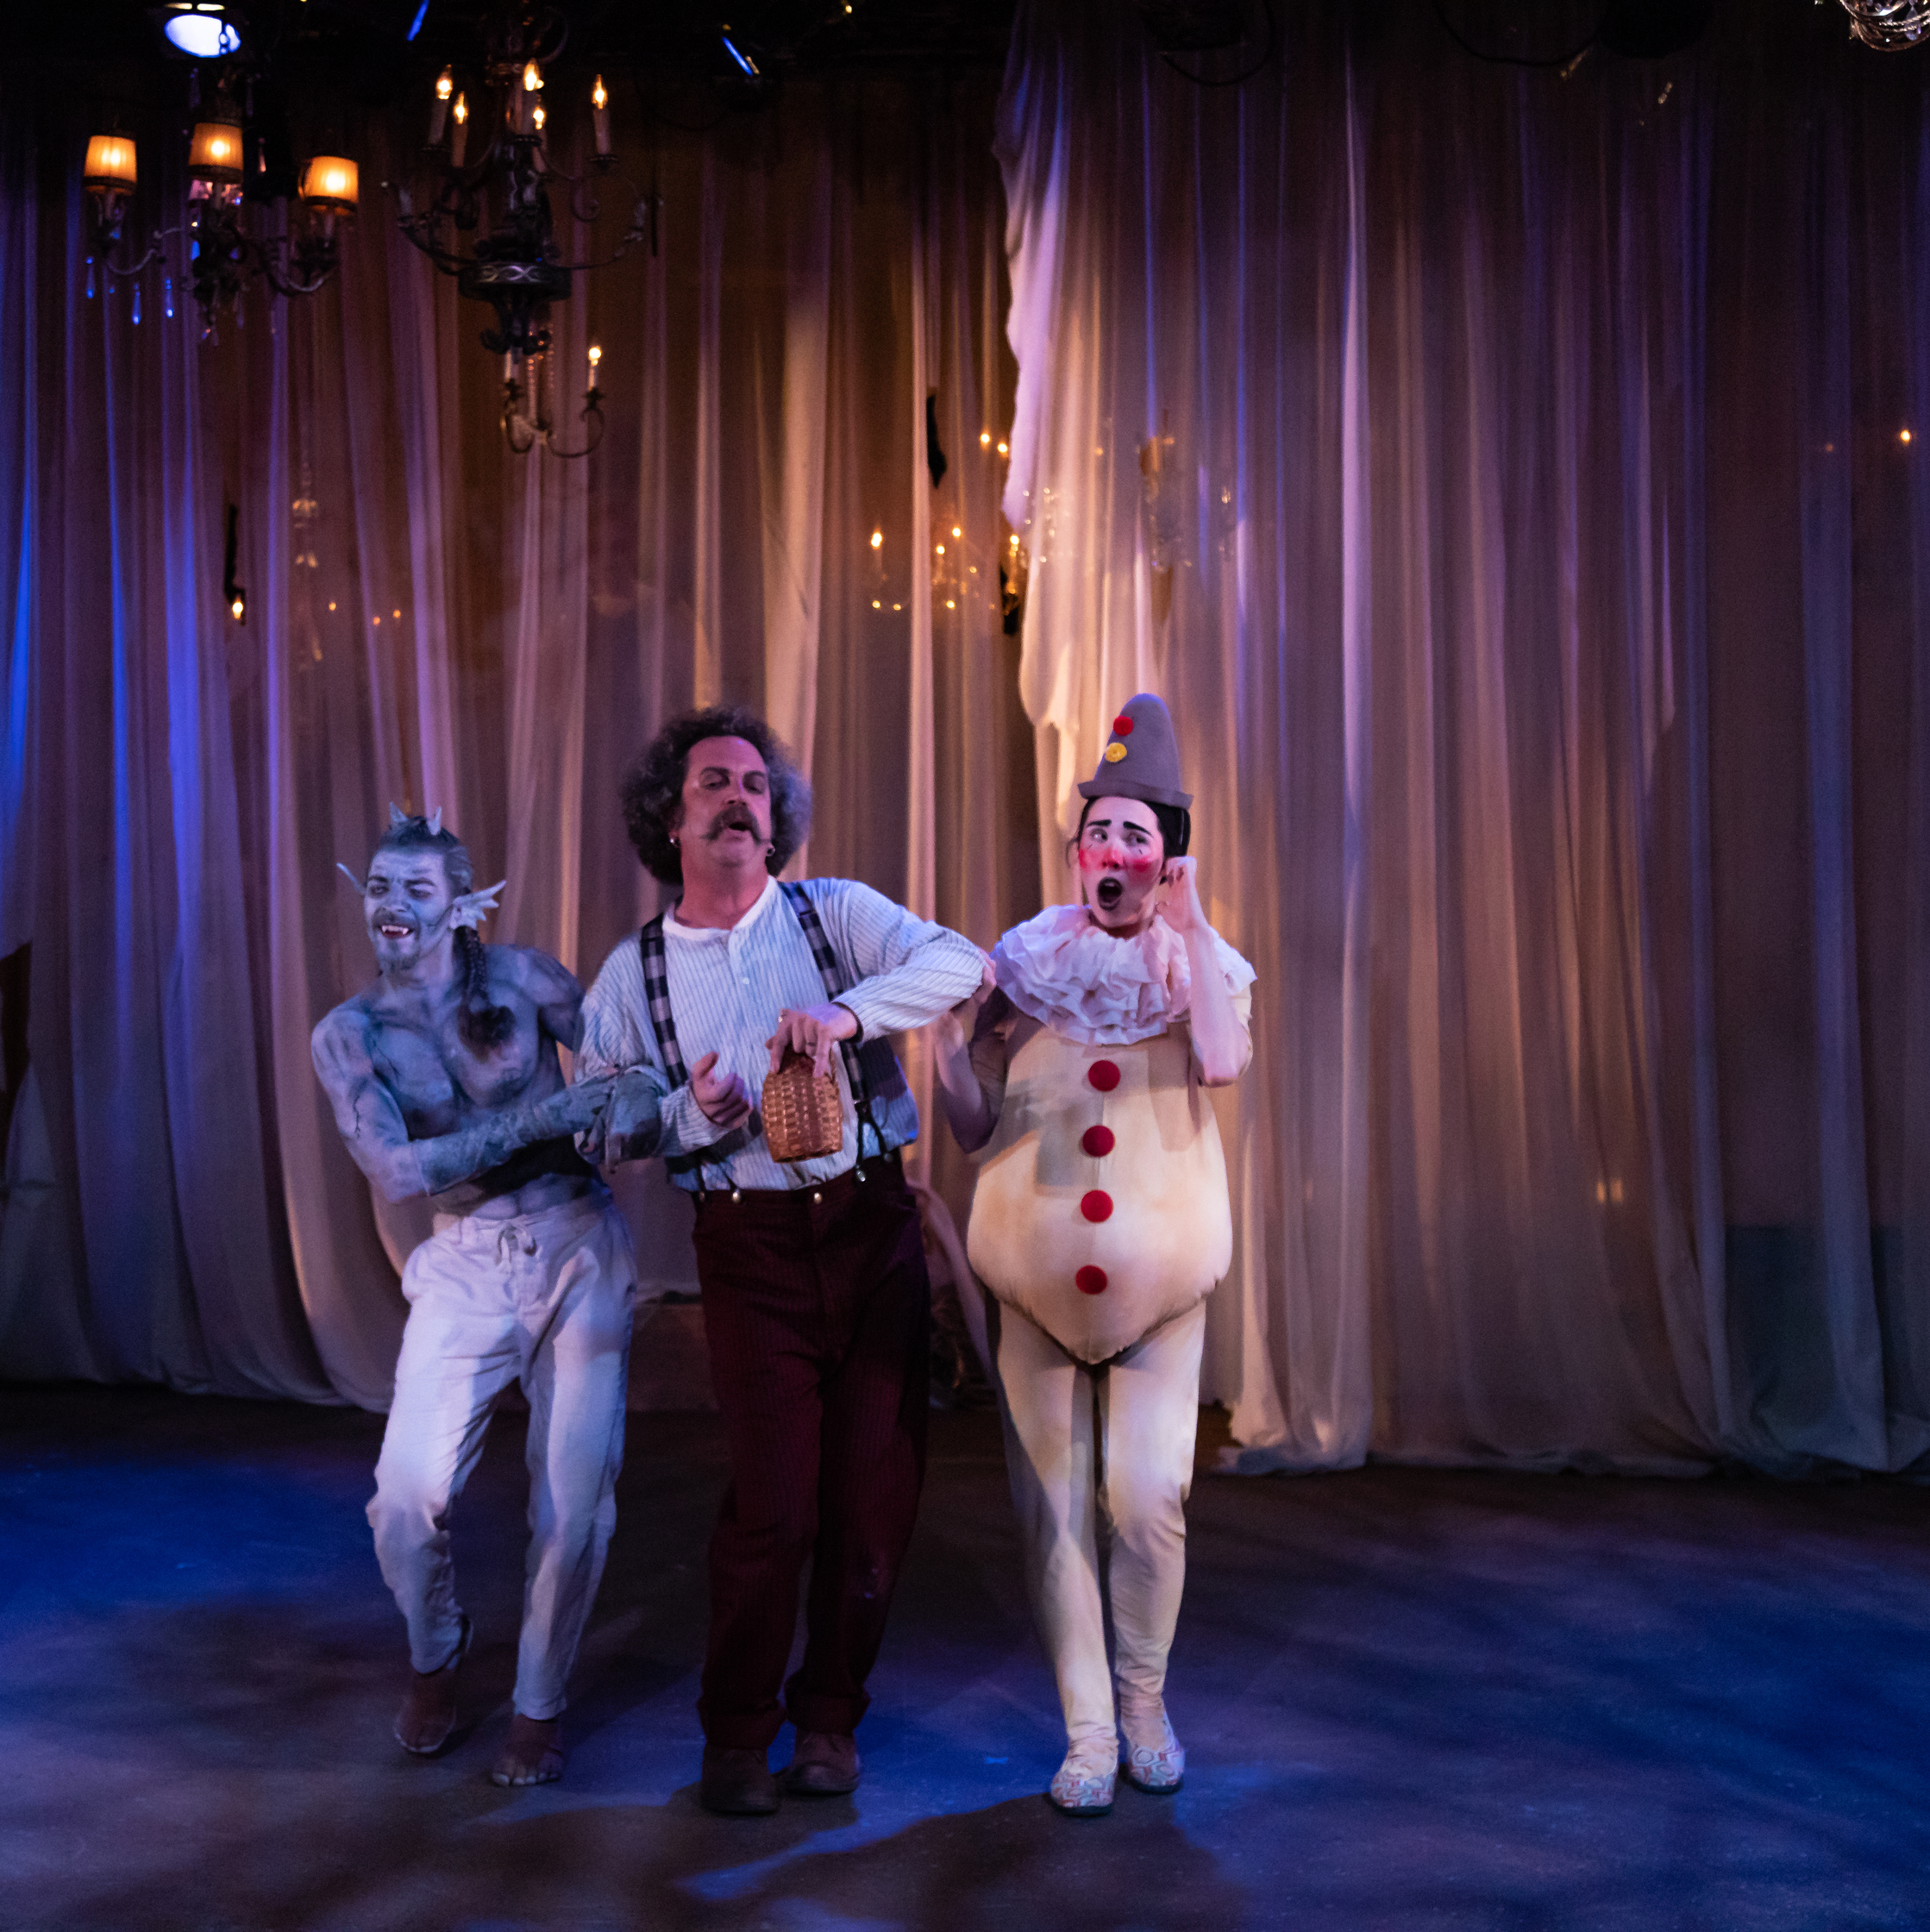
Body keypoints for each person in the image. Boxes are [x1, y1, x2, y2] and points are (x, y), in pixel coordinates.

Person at [576, 706, 987, 1816]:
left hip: (868, 1225)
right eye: (715, 782)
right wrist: (690, 1110)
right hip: (748, 1244)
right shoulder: (636, 973)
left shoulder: (831, 913)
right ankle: (735, 1730)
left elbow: (959, 961)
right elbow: (598, 1124)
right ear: (670, 817)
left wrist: (845, 1017)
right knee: (774, 1505)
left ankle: (829, 1719)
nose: (740, 800)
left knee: (871, 1497)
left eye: (756, 785)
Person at [931, 693, 1255, 1816]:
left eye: (1136, 834)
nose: (1112, 851)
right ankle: (1086, 1731)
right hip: (1034, 1287)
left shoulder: (1196, 968)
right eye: (1098, 832)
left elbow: (1221, 1061)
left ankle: (1144, 1703)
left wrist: (1191, 923)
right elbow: (973, 1127)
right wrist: (947, 1045)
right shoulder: (1026, 963)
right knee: (1053, 1509)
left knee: (1149, 1498)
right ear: (1077, 850)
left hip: (1159, 1295)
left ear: (1169, 855)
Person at [310, 807, 637, 1788]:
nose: (392, 904)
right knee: (403, 1496)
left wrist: (629, 1113)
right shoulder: (349, 1034)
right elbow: (396, 1172)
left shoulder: (528, 980)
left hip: (577, 1243)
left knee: (574, 1504)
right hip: (463, 1262)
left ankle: (539, 1702)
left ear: (461, 905)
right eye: (379, 886)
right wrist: (547, 1117)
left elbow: (626, 1077)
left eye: (416, 888)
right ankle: (435, 1649)